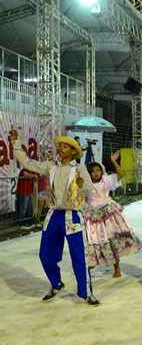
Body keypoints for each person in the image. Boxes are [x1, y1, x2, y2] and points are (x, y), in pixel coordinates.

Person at [10, 130, 99, 306]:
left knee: (78, 256)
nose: (60, 149)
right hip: (53, 216)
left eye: (65, 146)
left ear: (73, 151)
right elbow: (28, 163)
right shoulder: (51, 166)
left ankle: (85, 292)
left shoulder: (79, 169)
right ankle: (56, 283)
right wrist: (15, 144)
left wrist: (82, 188)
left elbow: (90, 192)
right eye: (60, 146)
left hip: (72, 216)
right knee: (45, 255)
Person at [84, 151, 142, 278]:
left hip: (108, 214)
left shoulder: (106, 181)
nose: (96, 173)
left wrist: (114, 161)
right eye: (93, 171)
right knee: (94, 241)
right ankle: (90, 264)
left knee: (112, 240)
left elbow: (121, 174)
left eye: (98, 170)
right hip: (93, 217)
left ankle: (117, 267)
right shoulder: (86, 184)